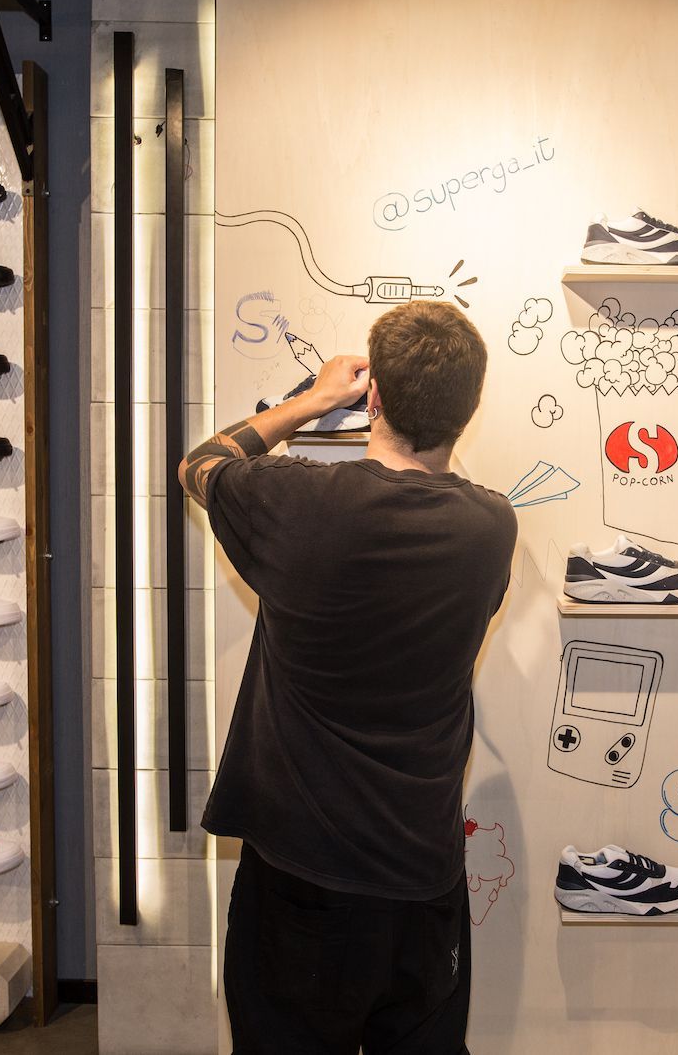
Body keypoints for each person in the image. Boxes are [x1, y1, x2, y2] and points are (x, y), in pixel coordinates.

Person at [178, 300, 517, 1054]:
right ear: (469, 409)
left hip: (303, 877)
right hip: (422, 875)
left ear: (375, 397)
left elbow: (199, 464)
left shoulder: (296, 501)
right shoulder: (492, 526)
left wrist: (312, 400)